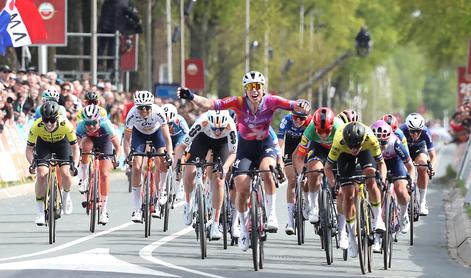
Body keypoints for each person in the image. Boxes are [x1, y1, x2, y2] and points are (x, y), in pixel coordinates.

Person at [177, 70, 310, 251]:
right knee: (241, 186)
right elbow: (210, 104)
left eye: (257, 87)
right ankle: (243, 228)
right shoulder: (238, 103)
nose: (254, 90)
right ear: (245, 89)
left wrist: (302, 104)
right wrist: (191, 96)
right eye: (250, 87)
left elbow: (294, 105)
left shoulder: (271, 101)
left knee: (267, 171)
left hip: (265, 145)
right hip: (245, 147)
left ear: (263, 89)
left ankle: (271, 215)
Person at [324, 122, 387, 258]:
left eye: (356, 146)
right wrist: (334, 183)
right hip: (344, 156)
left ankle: (377, 220)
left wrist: (381, 179)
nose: (354, 149)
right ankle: (352, 238)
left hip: (366, 152)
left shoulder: (370, 138)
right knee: (348, 194)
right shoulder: (339, 141)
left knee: (371, 176)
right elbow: (327, 168)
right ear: (346, 142)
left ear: (362, 140)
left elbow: (381, 163)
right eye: (351, 146)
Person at [174, 110, 237, 240]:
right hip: (202, 140)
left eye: (221, 128)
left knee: (219, 180)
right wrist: (178, 164)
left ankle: (215, 224)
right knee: (190, 170)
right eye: (215, 128)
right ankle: (187, 203)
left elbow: (233, 153)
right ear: (209, 123)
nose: (218, 132)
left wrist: (225, 168)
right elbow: (181, 147)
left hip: (222, 144)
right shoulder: (201, 122)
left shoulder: (230, 126)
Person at [25, 101, 80, 225]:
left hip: (62, 144)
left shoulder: (66, 124)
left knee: (66, 172)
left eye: (52, 121)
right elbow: (29, 149)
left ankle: (65, 197)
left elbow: (75, 148)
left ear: (57, 118)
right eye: (46, 120)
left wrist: (75, 165)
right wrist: (32, 163)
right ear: (42, 119)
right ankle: (40, 212)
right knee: (41, 173)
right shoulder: (36, 126)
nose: (49, 124)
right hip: (44, 145)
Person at [292, 107, 344, 236]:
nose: (323, 135)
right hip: (319, 148)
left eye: (326, 130)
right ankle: (314, 206)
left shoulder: (340, 129)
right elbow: (299, 157)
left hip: (338, 149)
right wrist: (301, 174)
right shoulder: (309, 131)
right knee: (313, 171)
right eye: (320, 131)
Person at [123, 91, 173, 222]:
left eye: (147, 107)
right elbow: (127, 140)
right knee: (137, 167)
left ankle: (162, 190)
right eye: (140, 107)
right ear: (136, 107)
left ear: (152, 106)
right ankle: (136, 209)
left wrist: (170, 154)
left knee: (163, 159)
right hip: (139, 135)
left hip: (156, 133)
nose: (144, 110)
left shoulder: (158, 112)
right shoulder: (132, 114)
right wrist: (128, 155)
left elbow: (167, 138)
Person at [370, 120, 415, 252]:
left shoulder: (395, 143)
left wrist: (411, 182)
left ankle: (403, 215)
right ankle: (376, 234)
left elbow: (410, 166)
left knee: (400, 188)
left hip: (395, 163)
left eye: (383, 143)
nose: (381, 146)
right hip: (378, 163)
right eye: (377, 143)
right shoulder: (368, 144)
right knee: (375, 189)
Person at [76, 105, 121, 224]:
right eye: (88, 123)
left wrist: (116, 158)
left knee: (104, 174)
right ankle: (84, 178)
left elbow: (117, 147)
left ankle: (104, 210)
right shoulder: (80, 126)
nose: (90, 126)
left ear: (99, 120)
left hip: (105, 141)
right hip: (89, 140)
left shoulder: (106, 125)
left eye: (93, 123)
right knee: (85, 147)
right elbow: (76, 145)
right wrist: (78, 157)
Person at [277, 109, 312, 235]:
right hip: (290, 147)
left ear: (306, 118)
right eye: (295, 117)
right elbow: (280, 142)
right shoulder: (286, 120)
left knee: (306, 178)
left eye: (301, 118)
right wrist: (280, 159)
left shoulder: (311, 122)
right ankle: (290, 220)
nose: (298, 121)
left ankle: (307, 202)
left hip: (306, 147)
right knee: (291, 180)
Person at [399, 113, 436, 216]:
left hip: (418, 149)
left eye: (418, 131)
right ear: (407, 128)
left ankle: (422, 202)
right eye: (412, 131)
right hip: (404, 150)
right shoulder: (401, 130)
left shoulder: (426, 132)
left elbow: (432, 155)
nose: (415, 134)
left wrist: (431, 167)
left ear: (422, 129)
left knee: (422, 167)